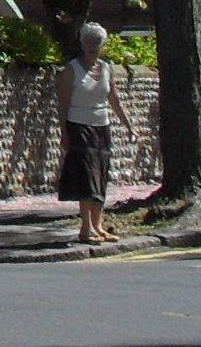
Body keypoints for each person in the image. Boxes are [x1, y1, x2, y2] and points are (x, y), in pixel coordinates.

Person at [55, 21, 135, 243]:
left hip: (102, 126)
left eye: (97, 42)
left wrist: (129, 125)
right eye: (89, 41)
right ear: (82, 43)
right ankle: (86, 228)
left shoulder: (106, 68)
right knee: (87, 177)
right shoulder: (72, 70)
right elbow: (62, 104)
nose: (92, 46)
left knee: (101, 175)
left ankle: (99, 226)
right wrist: (64, 133)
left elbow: (114, 99)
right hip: (79, 125)